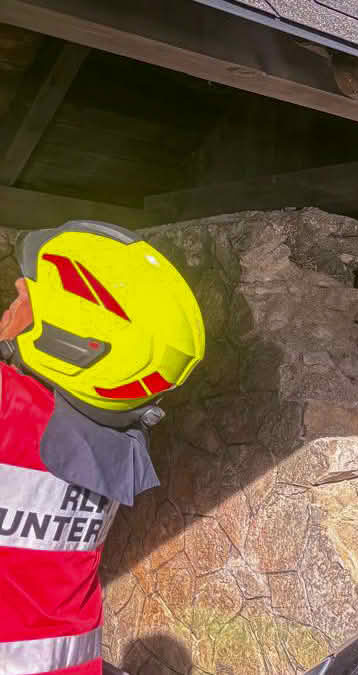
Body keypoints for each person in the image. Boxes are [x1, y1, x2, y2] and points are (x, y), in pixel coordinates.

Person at [0, 221, 205, 674]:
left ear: (72, 340)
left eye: (22, 302)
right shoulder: (121, 443)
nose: (7, 314)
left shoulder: (9, 405)